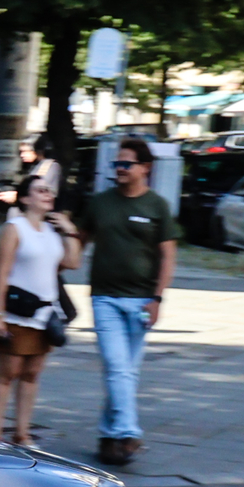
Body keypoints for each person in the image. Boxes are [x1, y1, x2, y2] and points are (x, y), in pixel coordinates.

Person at [77, 135, 179, 465]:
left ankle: (109, 439)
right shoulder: (101, 202)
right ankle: (128, 432)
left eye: (126, 164)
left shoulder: (157, 206)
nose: (119, 169)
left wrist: (157, 299)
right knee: (117, 367)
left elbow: (167, 256)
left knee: (125, 373)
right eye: (116, 164)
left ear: (144, 168)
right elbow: (79, 240)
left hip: (141, 302)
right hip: (105, 298)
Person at [0, 174, 80, 446]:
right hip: (16, 311)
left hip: (45, 314)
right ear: (25, 198)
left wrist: (69, 229)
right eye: (40, 191)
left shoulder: (52, 231)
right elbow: (2, 272)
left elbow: (72, 263)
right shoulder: (15, 228)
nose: (47, 195)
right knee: (8, 373)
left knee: (32, 374)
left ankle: (22, 432)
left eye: (49, 191)